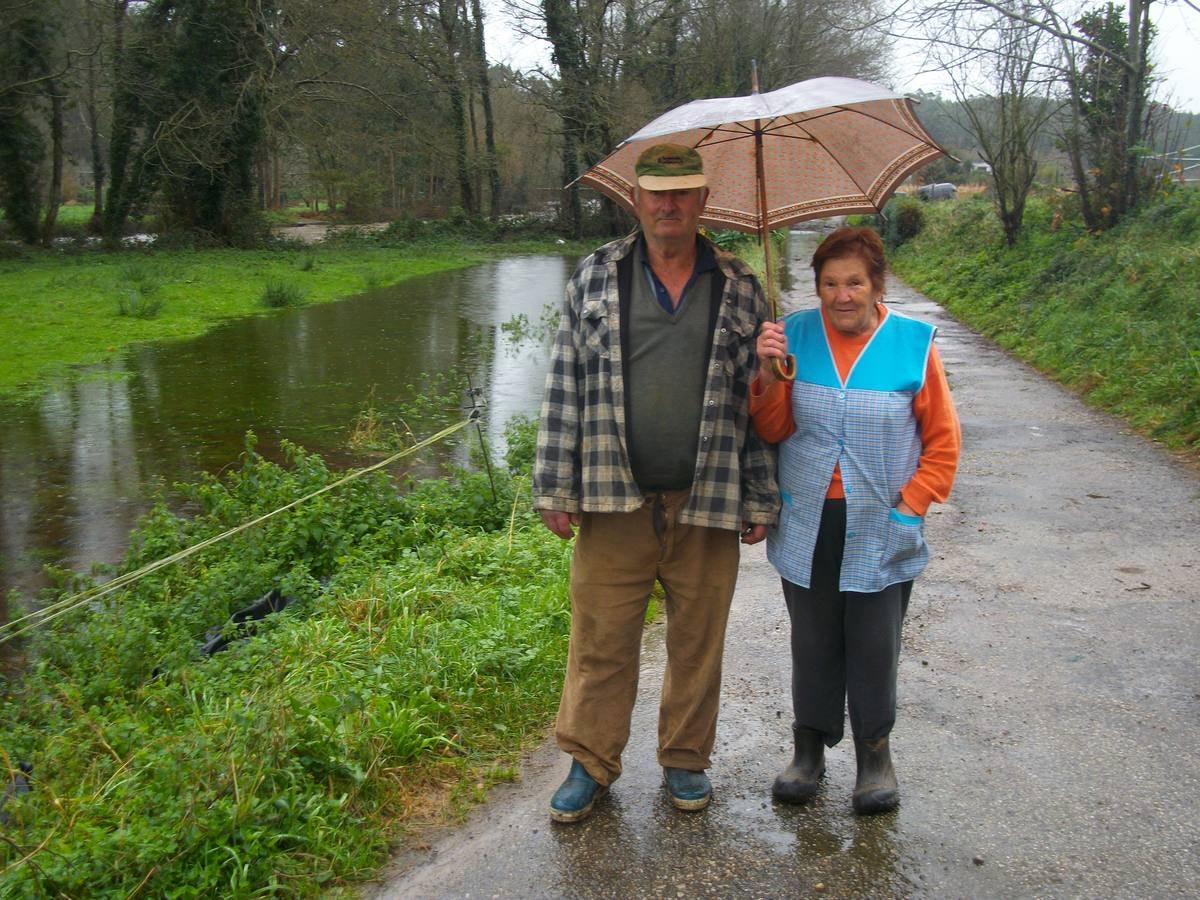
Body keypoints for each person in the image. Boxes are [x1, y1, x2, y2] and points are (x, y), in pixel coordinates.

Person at [534, 143, 779, 824]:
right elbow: (565, 383)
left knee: (699, 642)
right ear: (635, 200)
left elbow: (756, 407)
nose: (669, 206)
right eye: (656, 194)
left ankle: (685, 760)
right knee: (601, 638)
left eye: (683, 193)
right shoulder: (595, 276)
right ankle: (591, 761)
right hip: (614, 498)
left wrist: (760, 492)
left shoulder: (740, 285)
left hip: (707, 500)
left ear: (703, 201)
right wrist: (555, 484)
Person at [751, 225, 960, 814]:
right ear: (816, 287)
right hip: (808, 518)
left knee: (874, 643)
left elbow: (942, 441)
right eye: (829, 284)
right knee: (813, 640)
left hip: (881, 521)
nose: (842, 295)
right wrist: (766, 376)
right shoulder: (789, 335)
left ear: (875, 284)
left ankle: (875, 755)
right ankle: (808, 750)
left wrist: (912, 505)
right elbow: (772, 429)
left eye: (854, 282)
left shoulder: (912, 343)